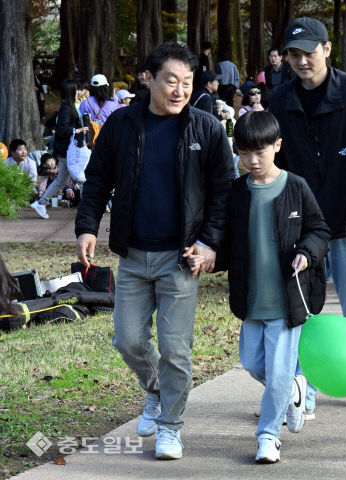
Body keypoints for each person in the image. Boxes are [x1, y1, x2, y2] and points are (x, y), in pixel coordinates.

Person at [74, 42, 235, 460]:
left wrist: (210, 241)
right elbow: (96, 181)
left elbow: (223, 191)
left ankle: (171, 427)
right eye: (171, 81)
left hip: (181, 258)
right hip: (132, 254)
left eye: (187, 82)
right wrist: (86, 227)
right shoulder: (122, 125)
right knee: (127, 340)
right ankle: (157, 391)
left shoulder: (205, 128)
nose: (180, 90)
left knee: (176, 348)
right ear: (149, 79)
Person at [268, 17, 346, 414]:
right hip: (299, 225)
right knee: (302, 310)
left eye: (309, 53)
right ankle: (306, 388)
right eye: (294, 55)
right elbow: (273, 161)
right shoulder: (279, 98)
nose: (302, 61)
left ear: (327, 49)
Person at [200, 111, 330, 464]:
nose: (252, 161)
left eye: (260, 151)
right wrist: (208, 255)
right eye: (244, 153)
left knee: (276, 372)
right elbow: (225, 240)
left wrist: (306, 252)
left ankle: (269, 435)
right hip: (250, 298)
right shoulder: (237, 192)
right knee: (254, 362)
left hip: (287, 302)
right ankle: (293, 388)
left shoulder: (295, 187)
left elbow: (319, 230)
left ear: (278, 146)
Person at [31, 80, 89, 220]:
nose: (79, 93)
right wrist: (77, 130)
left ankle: (41, 202)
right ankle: (87, 209)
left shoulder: (68, 107)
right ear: (71, 93)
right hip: (67, 151)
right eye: (76, 91)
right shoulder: (66, 109)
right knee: (80, 178)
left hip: (66, 150)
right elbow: (61, 130)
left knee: (63, 179)